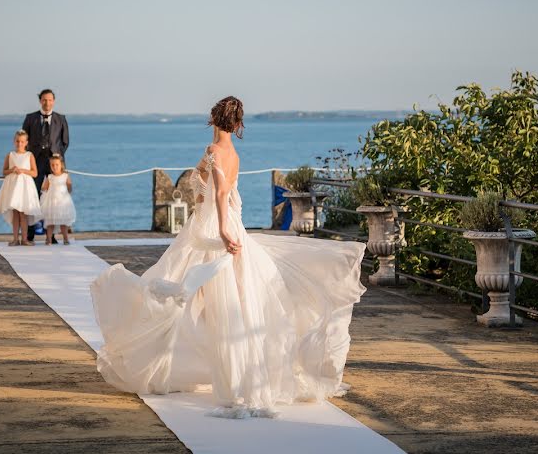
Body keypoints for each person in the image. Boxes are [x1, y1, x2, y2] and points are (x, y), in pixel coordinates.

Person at [90, 96, 366, 418]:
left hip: (212, 227)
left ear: (213, 119)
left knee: (202, 297)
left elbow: (220, 194)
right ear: (237, 124)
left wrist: (221, 229)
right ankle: (226, 369)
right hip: (222, 223)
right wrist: (226, 219)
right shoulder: (232, 153)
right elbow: (225, 192)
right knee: (229, 300)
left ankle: (214, 371)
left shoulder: (213, 152)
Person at [22, 89, 70, 243]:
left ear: (54, 101)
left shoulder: (61, 119)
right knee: (33, 195)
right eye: (44, 100)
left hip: (54, 165)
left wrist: (57, 157)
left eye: (49, 100)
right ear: (40, 101)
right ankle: (30, 232)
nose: (47, 103)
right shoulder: (31, 118)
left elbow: (65, 142)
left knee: (54, 199)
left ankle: (52, 234)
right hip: (35, 162)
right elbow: (24, 139)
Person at [0, 130, 42, 246]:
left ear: (26, 142)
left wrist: (23, 170)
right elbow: (4, 171)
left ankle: (24, 239)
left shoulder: (29, 155)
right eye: (17, 141)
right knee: (15, 213)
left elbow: (35, 173)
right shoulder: (10, 155)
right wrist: (12, 170)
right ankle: (15, 239)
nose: (19, 144)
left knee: (23, 213)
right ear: (14, 141)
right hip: (13, 187)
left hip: (24, 187)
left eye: (22, 141)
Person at [39, 154, 76, 245]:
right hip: (52, 202)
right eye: (52, 165)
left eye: (57, 165)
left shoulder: (65, 175)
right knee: (50, 222)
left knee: (63, 221)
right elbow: (44, 188)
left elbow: (69, 188)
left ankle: (65, 238)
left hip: (63, 202)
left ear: (61, 165)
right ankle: (48, 239)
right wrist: (44, 187)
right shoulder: (50, 177)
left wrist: (69, 187)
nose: (55, 167)